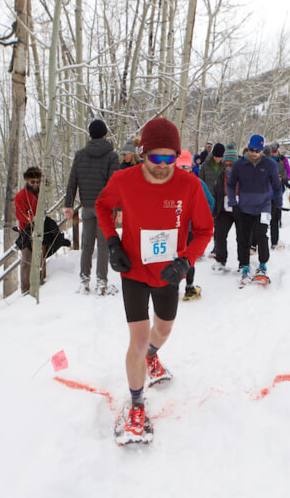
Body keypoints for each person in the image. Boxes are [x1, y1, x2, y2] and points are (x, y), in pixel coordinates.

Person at [95, 118, 213, 443]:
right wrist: (113, 242)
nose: (163, 166)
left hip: (168, 273)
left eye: (170, 158)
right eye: (156, 158)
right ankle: (136, 406)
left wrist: (185, 261)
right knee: (137, 340)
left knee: (162, 332)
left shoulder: (189, 186)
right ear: (142, 153)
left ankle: (153, 356)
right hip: (132, 269)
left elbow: (205, 230)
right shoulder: (123, 179)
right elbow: (102, 207)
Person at [63, 119, 120, 295]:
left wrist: (68, 205)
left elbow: (72, 182)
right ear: (105, 135)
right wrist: (117, 208)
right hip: (104, 208)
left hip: (87, 206)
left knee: (87, 244)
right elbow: (114, 185)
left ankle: (84, 280)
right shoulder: (112, 156)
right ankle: (101, 283)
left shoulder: (80, 155)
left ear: (90, 135)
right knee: (103, 245)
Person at [226, 134, 281, 286]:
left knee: (261, 235)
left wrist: (277, 205)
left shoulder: (270, 165)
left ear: (262, 151)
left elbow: (277, 187)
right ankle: (244, 266)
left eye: (257, 151)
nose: (253, 153)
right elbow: (230, 185)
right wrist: (233, 203)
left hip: (264, 206)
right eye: (251, 150)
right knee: (244, 238)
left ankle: (262, 265)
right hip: (244, 207)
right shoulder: (239, 164)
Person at [176, 150, 214, 300]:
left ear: (191, 166)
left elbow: (210, 202)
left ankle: (187, 287)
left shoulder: (197, 183)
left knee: (187, 256)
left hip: (187, 228)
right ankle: (181, 287)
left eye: (185, 167)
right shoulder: (170, 183)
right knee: (179, 256)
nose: (183, 171)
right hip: (177, 229)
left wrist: (200, 216)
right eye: (180, 168)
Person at [15, 166, 47, 295]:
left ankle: (42, 283)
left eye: (38, 181)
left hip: (40, 227)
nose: (35, 184)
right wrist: (31, 219)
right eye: (32, 182)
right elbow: (19, 214)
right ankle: (25, 289)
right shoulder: (20, 195)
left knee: (41, 255)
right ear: (27, 181)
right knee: (27, 259)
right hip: (26, 230)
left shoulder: (41, 193)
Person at [211, 146, 243, 272]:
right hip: (224, 210)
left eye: (232, 164)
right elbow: (216, 194)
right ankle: (221, 260)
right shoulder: (221, 176)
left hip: (240, 209)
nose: (229, 167)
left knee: (242, 237)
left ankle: (243, 263)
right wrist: (215, 211)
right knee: (219, 235)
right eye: (227, 164)